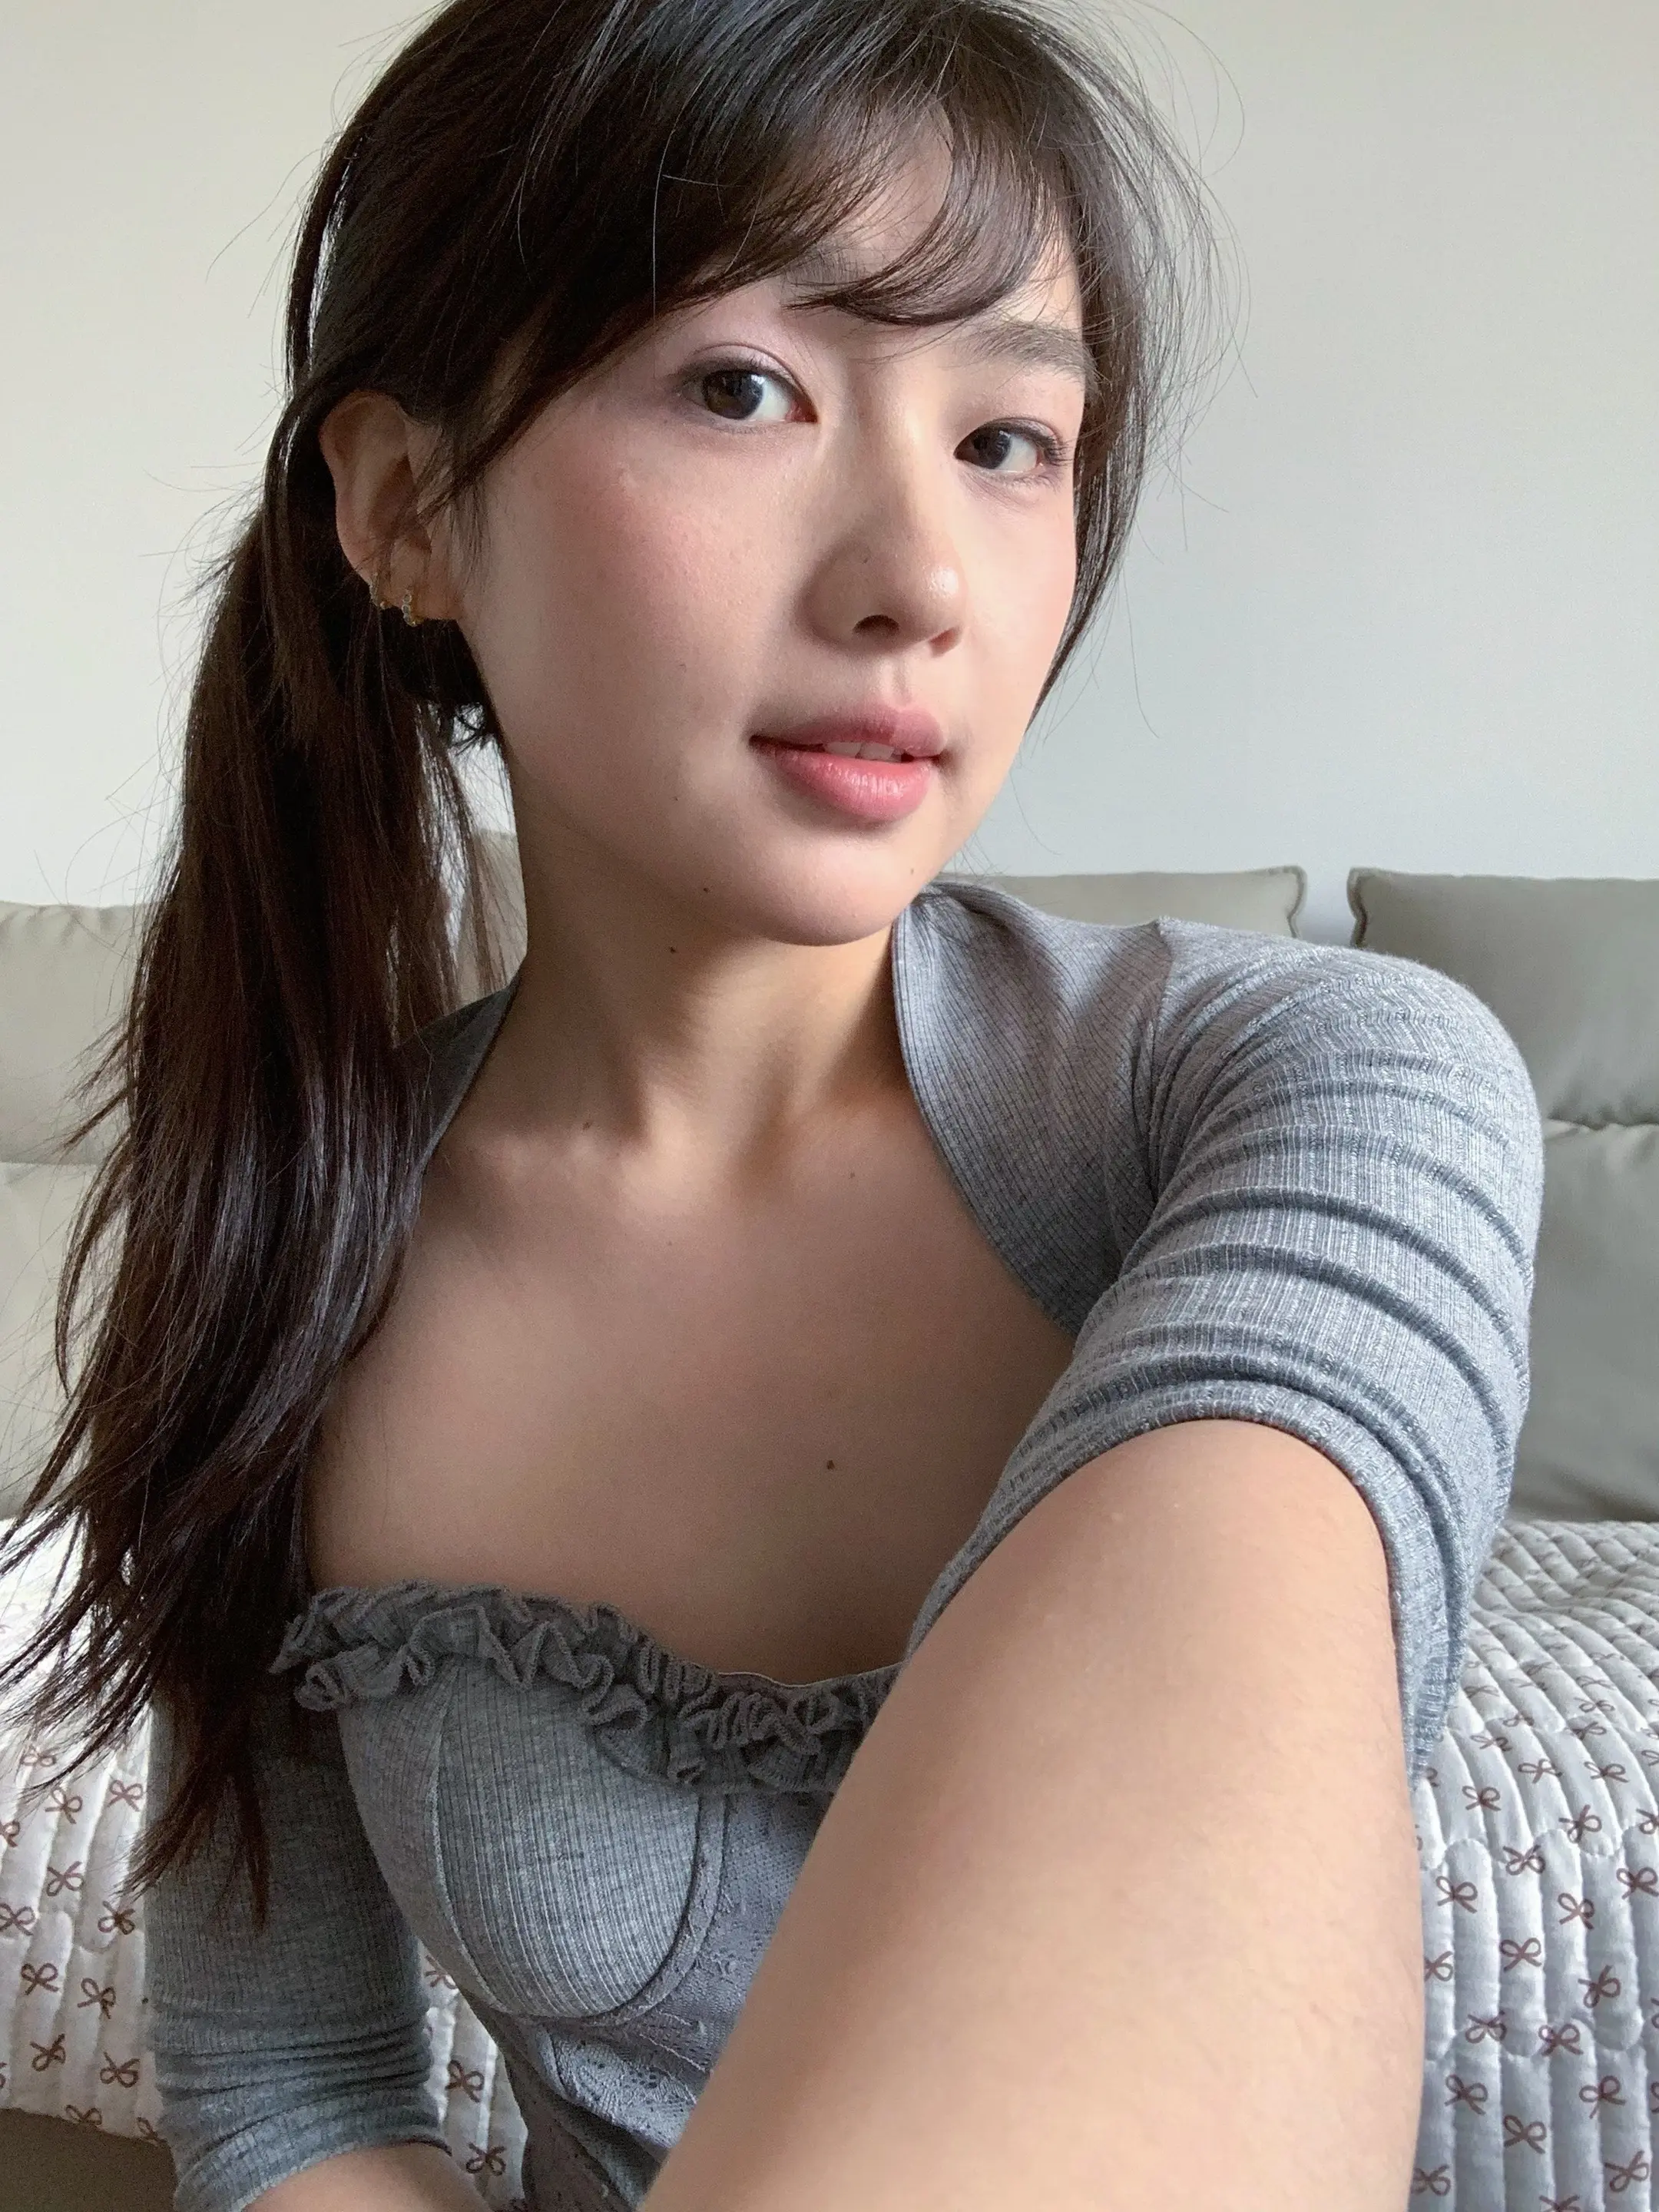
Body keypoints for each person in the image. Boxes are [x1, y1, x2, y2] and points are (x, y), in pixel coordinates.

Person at [0, 1, 1545, 2207]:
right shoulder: (284, 1235)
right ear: (408, 504)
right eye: (744, 387)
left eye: (1009, 438)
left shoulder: (1320, 1092)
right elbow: (296, 2085)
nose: (921, 580)